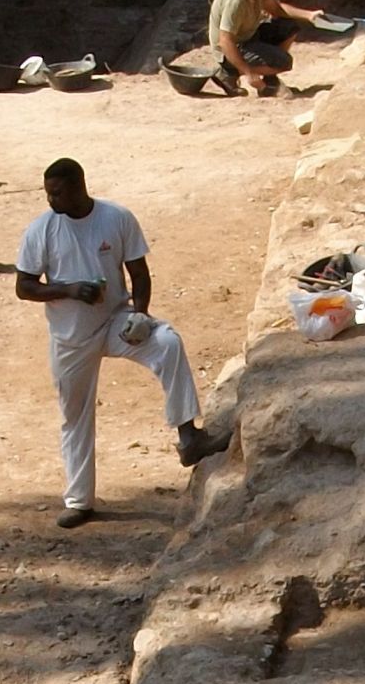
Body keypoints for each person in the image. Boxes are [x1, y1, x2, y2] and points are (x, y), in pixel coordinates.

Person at [16, 158, 220, 529]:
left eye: (58, 193)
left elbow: (139, 274)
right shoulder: (41, 231)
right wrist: (70, 290)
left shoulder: (116, 217)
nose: (51, 200)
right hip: (71, 338)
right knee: (74, 416)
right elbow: (24, 286)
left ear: (80, 187)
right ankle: (79, 501)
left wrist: (140, 314)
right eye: (48, 193)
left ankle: (189, 436)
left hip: (115, 321)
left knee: (167, 342)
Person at [209, 0, 326, 97]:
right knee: (284, 62)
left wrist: (308, 15)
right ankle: (228, 72)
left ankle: (270, 79)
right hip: (230, 48)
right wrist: (249, 73)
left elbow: (277, 9)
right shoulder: (236, 0)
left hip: (248, 35)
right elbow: (225, 41)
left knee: (289, 26)